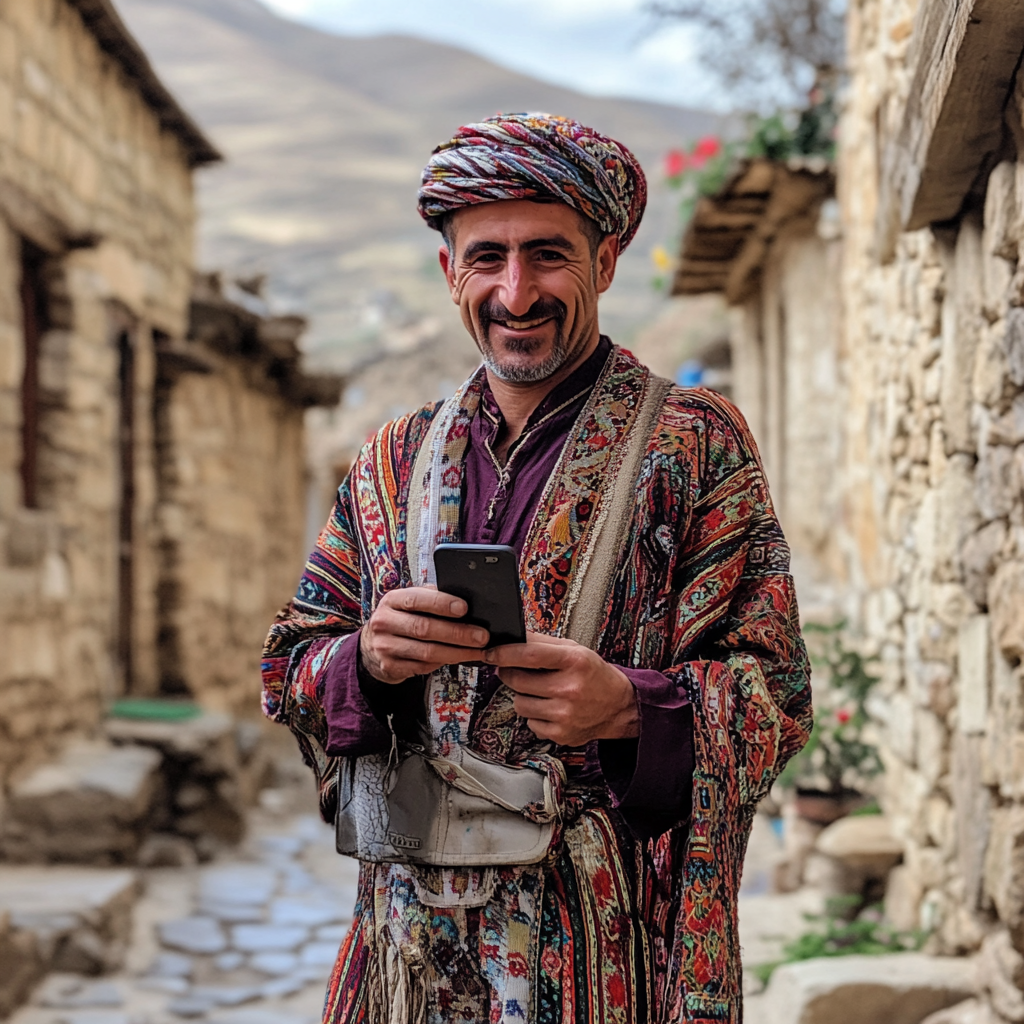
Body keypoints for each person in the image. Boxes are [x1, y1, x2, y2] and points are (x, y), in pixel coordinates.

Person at [262, 112, 811, 1024]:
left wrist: (634, 707)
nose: (516, 293)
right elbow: (289, 665)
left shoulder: (694, 445)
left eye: (548, 254)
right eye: (487, 258)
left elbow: (777, 693)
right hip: (405, 950)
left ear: (604, 262)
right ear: (449, 274)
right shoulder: (392, 459)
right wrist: (365, 661)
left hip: (602, 949)